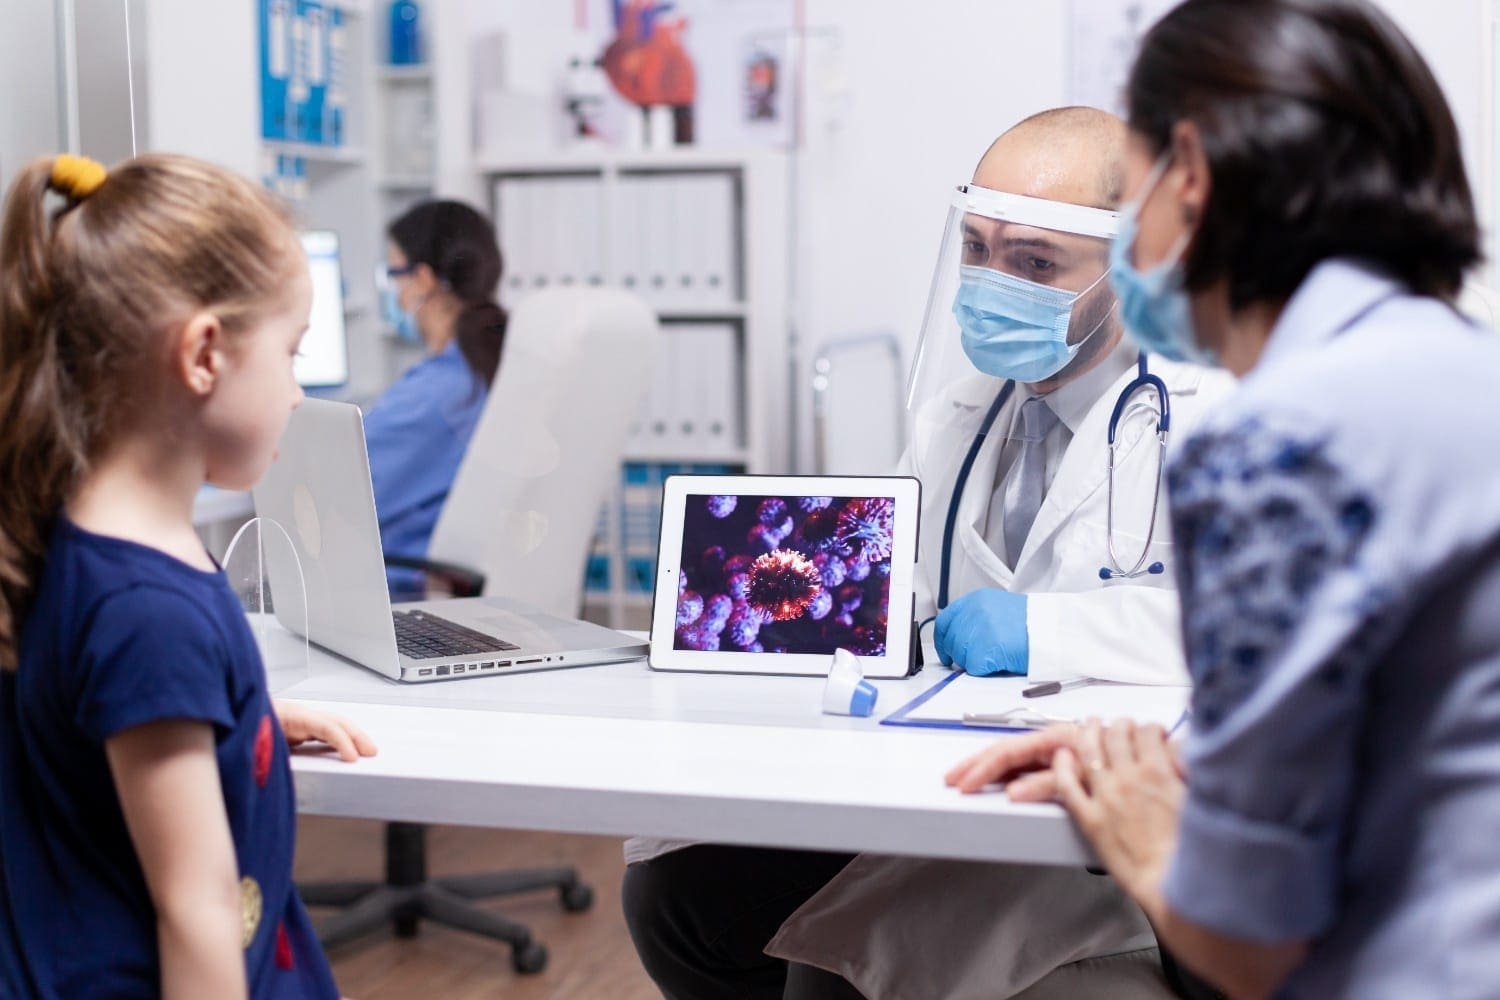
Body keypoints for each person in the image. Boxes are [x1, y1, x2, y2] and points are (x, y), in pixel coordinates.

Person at [949, 1, 1500, 996]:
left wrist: (1145, 828)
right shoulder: (1468, 369)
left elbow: (1250, 942)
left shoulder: (1275, 441)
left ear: (1189, 178)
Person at [623, 107, 1237, 999]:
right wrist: (790, 607)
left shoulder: (1217, 418)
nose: (992, 284)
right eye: (979, 250)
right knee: (681, 896)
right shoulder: (959, 413)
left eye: (1033, 262)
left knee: (833, 968)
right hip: (953, 776)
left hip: (1126, 832)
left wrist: (1046, 633)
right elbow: (898, 591)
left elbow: (1265, 637)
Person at [0, 152, 377, 998]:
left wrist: (236, 719)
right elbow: (198, 913)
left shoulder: (74, 536)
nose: (295, 391)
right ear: (205, 353)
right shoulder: (147, 610)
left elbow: (92, 717)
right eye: (290, 353)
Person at [369, 199, 507, 595]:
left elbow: (339, 494)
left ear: (423, 279)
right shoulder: (499, 364)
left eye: (393, 275)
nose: (394, 296)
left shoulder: (438, 392)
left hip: (400, 597)